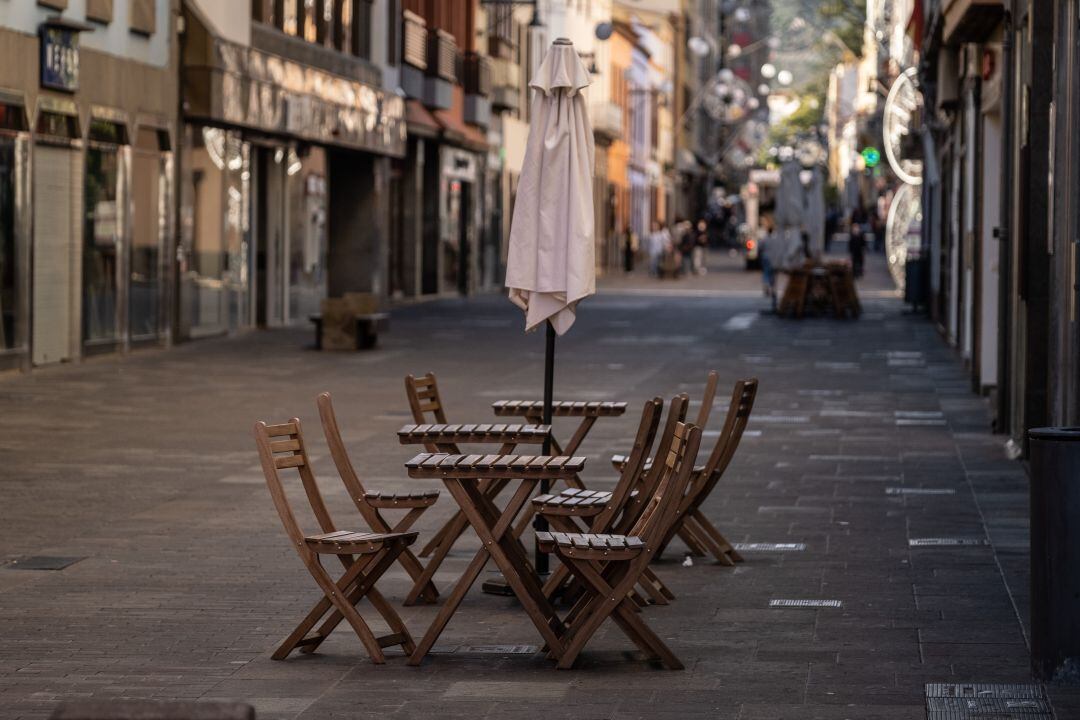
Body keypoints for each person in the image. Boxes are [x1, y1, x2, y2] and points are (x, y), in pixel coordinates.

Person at [849, 205, 867, 278]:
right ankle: (856, 272)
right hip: (856, 251)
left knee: (859, 261)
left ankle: (858, 272)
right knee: (855, 261)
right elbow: (850, 243)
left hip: (858, 250)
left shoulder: (860, 235)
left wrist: (864, 247)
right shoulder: (854, 236)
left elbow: (863, 242)